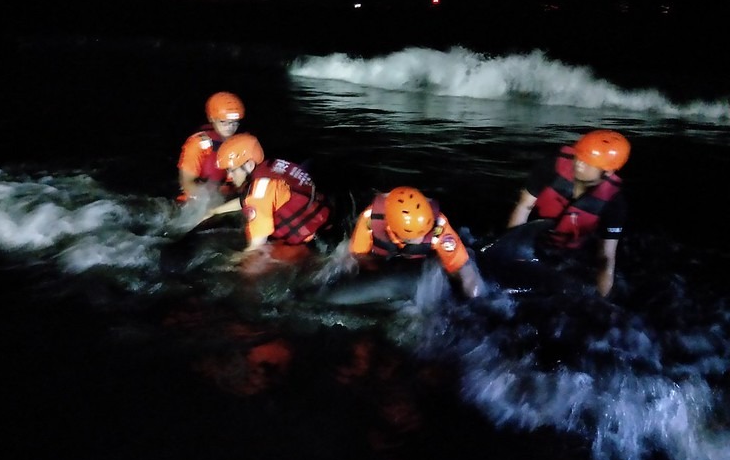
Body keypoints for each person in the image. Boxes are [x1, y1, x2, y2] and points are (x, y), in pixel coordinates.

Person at [505, 129, 630, 298]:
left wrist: (602, 301)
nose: (579, 163)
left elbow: (606, 258)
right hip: (533, 240)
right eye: (579, 155)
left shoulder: (614, 202)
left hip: (569, 255)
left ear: (607, 172)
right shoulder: (552, 166)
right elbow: (523, 207)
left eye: (588, 162)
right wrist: (513, 253)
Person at [348, 186, 486, 300]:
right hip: (384, 260)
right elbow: (358, 256)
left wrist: (476, 300)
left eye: (424, 233)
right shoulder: (370, 220)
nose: (421, 239)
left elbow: (465, 270)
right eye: (413, 237)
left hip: (421, 263)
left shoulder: (439, 227)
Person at [203, 133, 331, 253]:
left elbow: (256, 247)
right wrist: (215, 211)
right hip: (325, 220)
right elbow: (246, 200)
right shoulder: (271, 166)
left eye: (232, 170)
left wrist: (231, 263)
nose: (229, 177)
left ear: (249, 165)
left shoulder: (259, 193)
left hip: (311, 244)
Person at [177, 91, 245, 202]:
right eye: (224, 122)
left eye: (234, 122)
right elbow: (187, 183)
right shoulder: (198, 144)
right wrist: (209, 202)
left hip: (225, 197)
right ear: (212, 119)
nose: (230, 127)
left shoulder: (239, 144)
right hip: (196, 201)